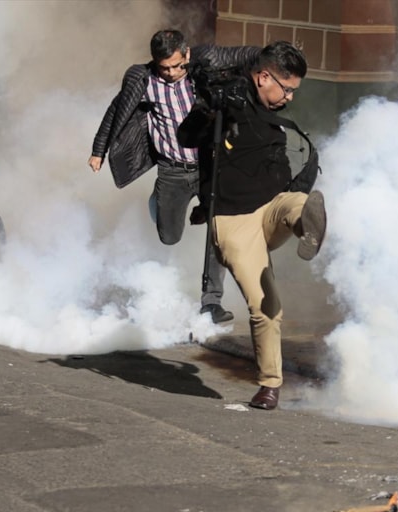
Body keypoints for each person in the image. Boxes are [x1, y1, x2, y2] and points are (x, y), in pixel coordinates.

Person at [179, 41, 327, 410]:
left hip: (273, 208)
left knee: (298, 203)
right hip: (234, 222)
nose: (289, 97)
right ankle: (269, 385)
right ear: (263, 78)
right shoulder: (227, 101)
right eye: (286, 89)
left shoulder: (271, 111)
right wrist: (208, 110)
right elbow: (187, 137)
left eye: (294, 90)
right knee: (266, 306)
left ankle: (308, 226)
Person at [88, 30, 261, 324]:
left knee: (220, 230)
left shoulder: (203, 68)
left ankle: (211, 302)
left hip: (208, 167)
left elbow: (241, 55)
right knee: (170, 236)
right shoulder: (143, 81)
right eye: (164, 67)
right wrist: (98, 151)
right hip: (172, 171)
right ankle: (161, 201)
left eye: (177, 66)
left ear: (187, 54)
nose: (170, 73)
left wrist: (273, 57)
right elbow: (114, 112)